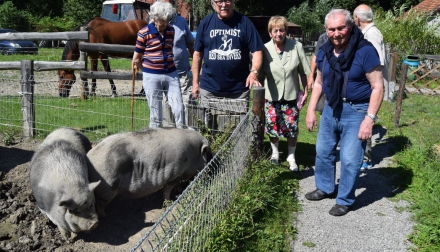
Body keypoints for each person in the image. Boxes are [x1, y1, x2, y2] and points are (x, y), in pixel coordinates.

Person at [305, 9, 384, 216]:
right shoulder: (324, 51)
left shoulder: (365, 51)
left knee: (350, 159)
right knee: (323, 152)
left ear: (350, 26)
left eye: (341, 28)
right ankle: (325, 187)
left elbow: (378, 87)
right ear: (326, 30)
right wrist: (311, 110)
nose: (337, 33)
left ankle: (345, 199)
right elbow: (320, 82)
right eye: (332, 29)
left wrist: (369, 119)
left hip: (357, 110)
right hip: (331, 108)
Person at [191, 0, 264, 127]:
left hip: (238, 89)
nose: (224, 5)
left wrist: (254, 72)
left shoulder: (244, 23)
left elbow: (257, 51)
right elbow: (197, 55)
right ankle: (209, 147)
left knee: (240, 129)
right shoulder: (206, 23)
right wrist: (195, 83)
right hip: (209, 87)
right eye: (219, 1)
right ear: (213, 3)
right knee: (206, 128)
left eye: (227, 0)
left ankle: (240, 148)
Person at [258, 16, 310, 171]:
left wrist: (306, 91)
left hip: (291, 96)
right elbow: (260, 76)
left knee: (291, 127)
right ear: (270, 33)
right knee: (272, 126)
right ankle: (275, 153)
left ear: (286, 31)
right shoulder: (265, 49)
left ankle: (291, 156)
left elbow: (303, 72)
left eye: (282, 30)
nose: (279, 33)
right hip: (271, 96)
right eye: (275, 30)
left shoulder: (296, 47)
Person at [132, 1, 185, 128]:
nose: (165, 23)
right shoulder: (144, 33)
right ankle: (155, 142)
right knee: (156, 115)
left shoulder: (171, 30)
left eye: (168, 20)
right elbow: (136, 59)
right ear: (154, 18)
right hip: (152, 76)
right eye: (163, 21)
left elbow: (168, 49)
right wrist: (147, 70)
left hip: (171, 74)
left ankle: (182, 136)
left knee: (179, 109)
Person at [354, 4, 388, 171]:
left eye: (354, 17)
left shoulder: (372, 34)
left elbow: (377, 63)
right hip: (368, 85)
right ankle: (360, 156)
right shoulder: (368, 33)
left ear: (358, 18)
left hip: (370, 86)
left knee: (365, 120)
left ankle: (365, 159)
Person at [162, 0, 195, 127]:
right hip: (164, 73)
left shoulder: (181, 22)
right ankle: (169, 134)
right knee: (166, 105)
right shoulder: (155, 21)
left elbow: (191, 44)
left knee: (186, 103)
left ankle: (188, 133)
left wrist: (195, 65)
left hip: (182, 73)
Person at [308, 32, 328, 115]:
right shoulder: (323, 38)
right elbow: (315, 57)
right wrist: (311, 76)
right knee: (323, 109)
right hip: (323, 77)